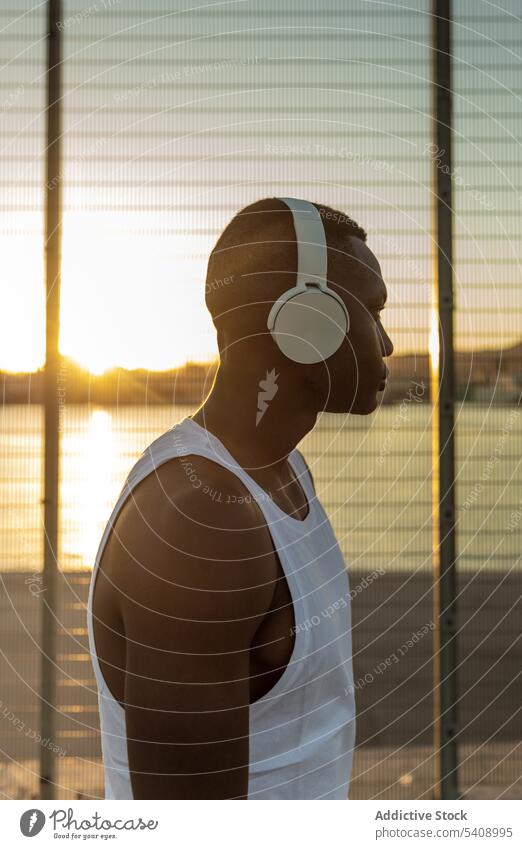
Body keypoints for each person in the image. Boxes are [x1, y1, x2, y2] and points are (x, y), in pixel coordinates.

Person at [87, 197, 394, 799]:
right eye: (375, 313)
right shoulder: (198, 520)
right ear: (307, 319)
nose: (386, 343)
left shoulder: (283, 473)